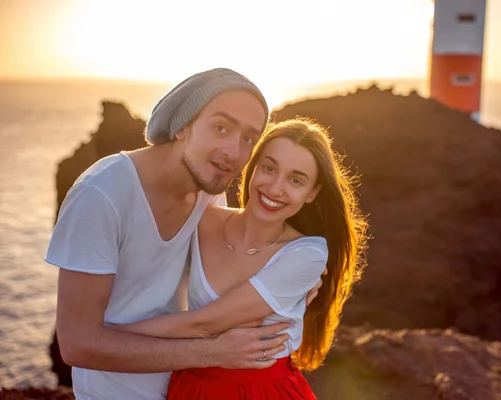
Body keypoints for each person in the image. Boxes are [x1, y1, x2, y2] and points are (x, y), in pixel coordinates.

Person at [45, 69, 324, 400]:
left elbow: (228, 259)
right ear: (182, 125)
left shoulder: (209, 189)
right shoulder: (101, 195)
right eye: (221, 128)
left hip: (189, 388)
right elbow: (77, 345)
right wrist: (212, 352)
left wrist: (292, 274)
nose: (234, 153)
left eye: (248, 139)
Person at [110, 118, 369, 399]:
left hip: (265, 391)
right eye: (269, 168)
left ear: (312, 193)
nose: (275, 188)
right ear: (253, 168)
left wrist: (109, 339)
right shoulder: (200, 217)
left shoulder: (307, 254)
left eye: (296, 180)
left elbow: (203, 324)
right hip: (191, 386)